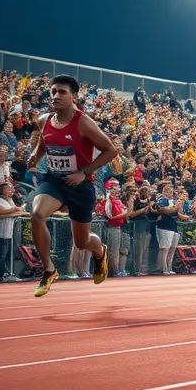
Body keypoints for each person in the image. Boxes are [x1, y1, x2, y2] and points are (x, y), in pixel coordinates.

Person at [26, 75, 116, 296]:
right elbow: (44, 142)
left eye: (62, 92)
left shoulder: (83, 123)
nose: (56, 96)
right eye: (53, 91)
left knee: (82, 241)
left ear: (74, 96)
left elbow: (111, 150)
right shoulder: (44, 120)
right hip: (54, 180)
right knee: (37, 213)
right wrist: (35, 156)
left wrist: (83, 173)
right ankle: (48, 269)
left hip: (80, 185)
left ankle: (99, 251)